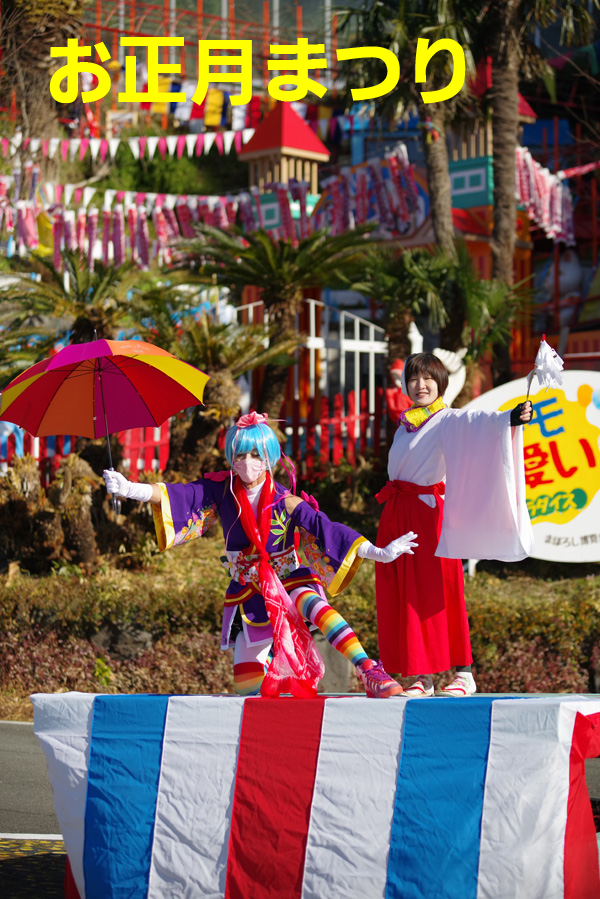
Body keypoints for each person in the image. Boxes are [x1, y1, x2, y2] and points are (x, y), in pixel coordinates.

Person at [103, 411, 418, 699]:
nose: (247, 461)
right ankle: (281, 674)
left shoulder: (287, 501)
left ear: (269, 458)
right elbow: (180, 494)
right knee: (248, 687)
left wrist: (377, 551)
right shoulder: (221, 490)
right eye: (240, 454)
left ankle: (368, 670)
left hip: (287, 579)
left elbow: (327, 529)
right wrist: (130, 488)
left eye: (256, 454)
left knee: (314, 604)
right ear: (231, 457)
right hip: (248, 590)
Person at [375, 353, 534, 697]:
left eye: (428, 378)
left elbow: (476, 422)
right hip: (397, 513)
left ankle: (463, 674)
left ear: (441, 383)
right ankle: (423, 676)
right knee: (405, 596)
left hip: (427, 515)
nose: (420, 385)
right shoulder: (407, 424)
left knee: (439, 593)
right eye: (414, 379)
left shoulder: (446, 419)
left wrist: (509, 418)